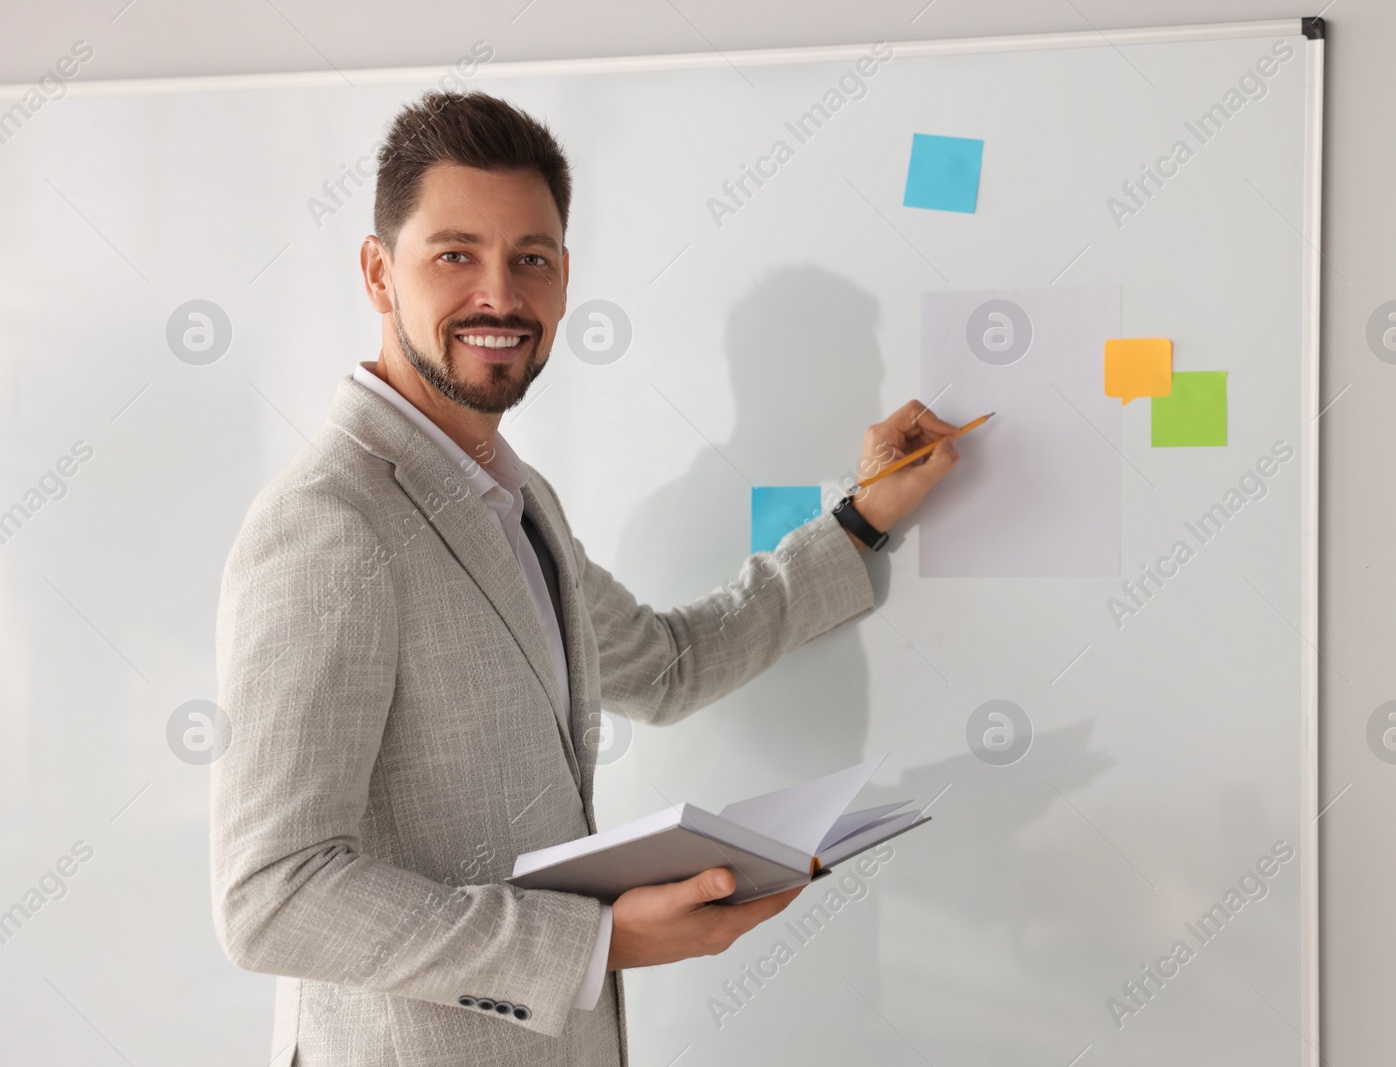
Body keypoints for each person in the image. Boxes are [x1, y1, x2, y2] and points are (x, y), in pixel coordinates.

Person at [209, 89, 959, 1067]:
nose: (500, 295)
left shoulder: (518, 501)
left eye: (531, 258)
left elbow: (669, 664)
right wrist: (595, 941)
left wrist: (863, 518)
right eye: (455, 254)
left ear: (563, 278)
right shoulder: (330, 522)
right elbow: (271, 894)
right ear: (377, 273)